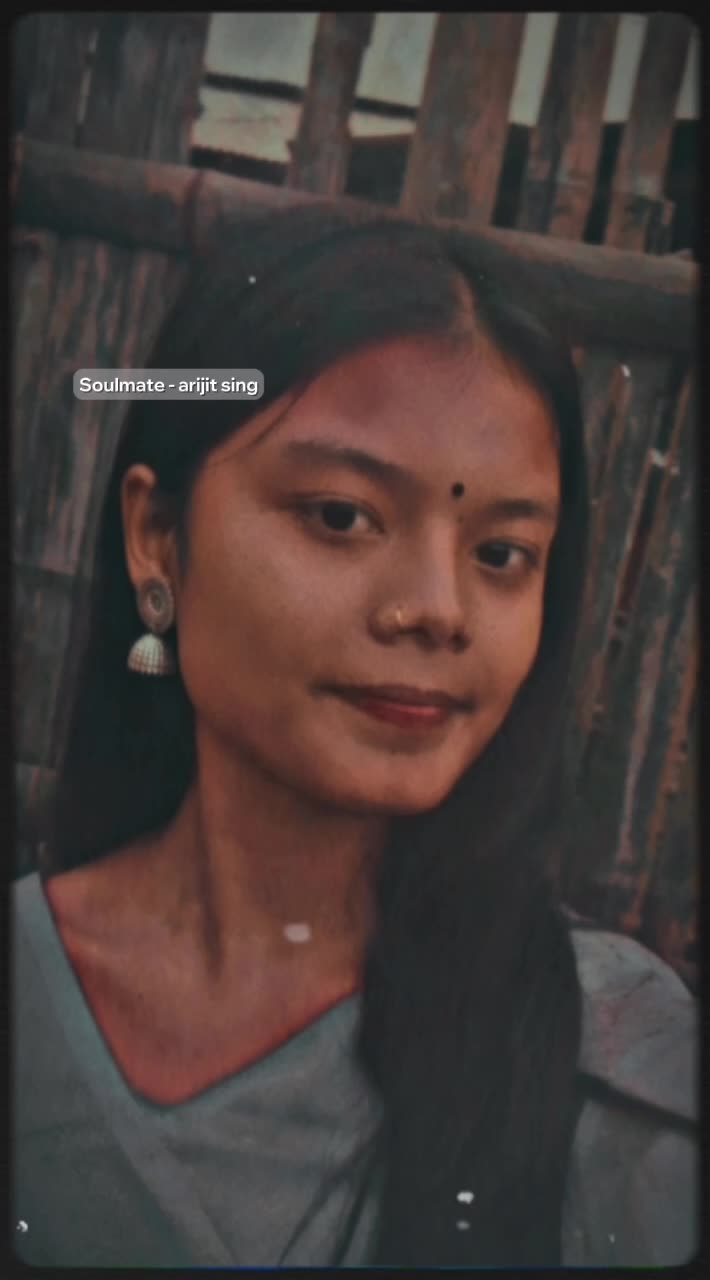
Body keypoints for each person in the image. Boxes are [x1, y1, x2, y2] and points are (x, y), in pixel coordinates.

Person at [12, 202, 697, 1268]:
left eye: (502, 553)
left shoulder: (616, 1059)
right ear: (157, 536)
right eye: (340, 515)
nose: (437, 609)